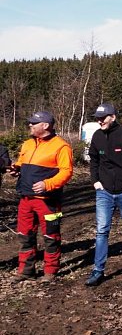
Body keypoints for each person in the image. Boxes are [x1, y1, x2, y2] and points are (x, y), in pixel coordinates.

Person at [7, 111, 73, 283]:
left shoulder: (61, 146)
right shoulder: (28, 144)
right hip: (26, 198)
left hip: (48, 201)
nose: (30, 125)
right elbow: (23, 163)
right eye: (30, 123)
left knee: (51, 236)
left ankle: (50, 271)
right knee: (25, 235)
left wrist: (48, 184)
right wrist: (16, 169)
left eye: (33, 123)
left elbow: (67, 172)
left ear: (45, 126)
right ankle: (26, 270)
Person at [85, 102, 122, 287]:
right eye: (97, 118)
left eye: (102, 117)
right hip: (104, 192)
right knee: (102, 231)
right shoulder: (97, 136)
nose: (99, 120)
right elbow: (93, 160)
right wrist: (95, 181)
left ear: (113, 117)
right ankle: (98, 270)